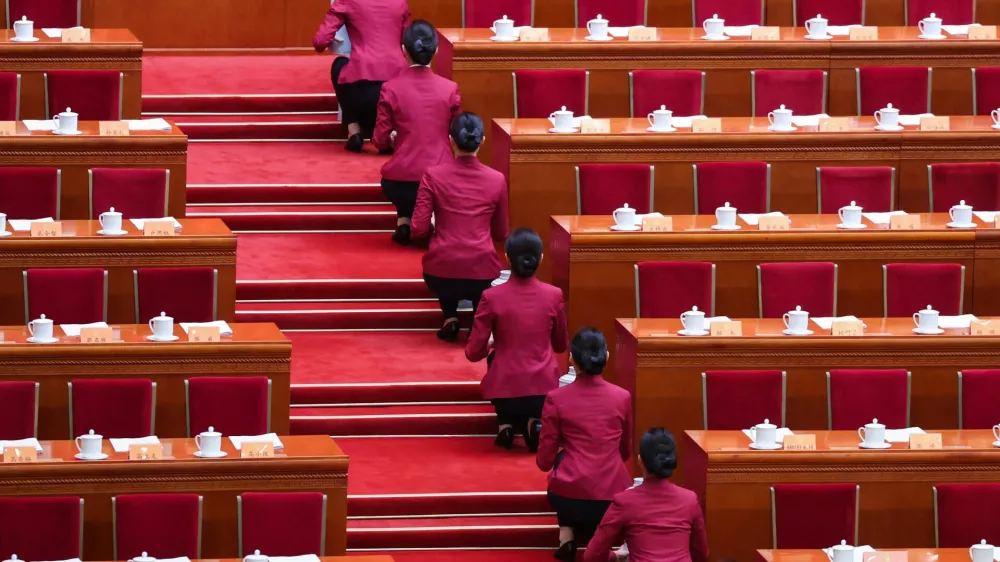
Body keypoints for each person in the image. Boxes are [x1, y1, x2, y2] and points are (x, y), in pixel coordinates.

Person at [466, 228, 568, 450]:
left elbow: (473, 352)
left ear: (507, 259)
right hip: (542, 386)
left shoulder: (490, 297)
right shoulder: (554, 295)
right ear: (540, 258)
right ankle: (535, 422)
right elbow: (561, 345)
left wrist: (491, 345)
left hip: (505, 388)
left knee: (496, 360)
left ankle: (505, 425)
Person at [536, 327, 632, 561]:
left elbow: (544, 461)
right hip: (611, 497)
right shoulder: (622, 397)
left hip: (569, 497)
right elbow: (625, 451)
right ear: (606, 357)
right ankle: (599, 543)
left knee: (562, 464)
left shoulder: (556, 399)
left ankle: (566, 536)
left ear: (572, 359)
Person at [411, 112, 509, 341]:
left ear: (450, 140)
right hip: (482, 269)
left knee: (446, 264)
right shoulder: (496, 179)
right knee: (479, 282)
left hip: (441, 271)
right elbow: (501, 232)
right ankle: (477, 318)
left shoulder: (433, 176)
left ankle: (450, 315)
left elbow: (418, 229)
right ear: (482, 141)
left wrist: (436, 225)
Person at [373, 20, 461, 245]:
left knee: (397, 181)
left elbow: (379, 140)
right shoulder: (450, 89)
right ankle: (428, 221)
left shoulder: (390, 88)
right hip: (440, 181)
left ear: (404, 50)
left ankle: (405, 219)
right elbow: (458, 137)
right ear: (437, 50)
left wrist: (394, 139)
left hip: (401, 183)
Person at [584, 428, 709, 562]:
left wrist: (615, 556)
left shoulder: (624, 501)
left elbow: (592, 556)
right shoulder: (690, 500)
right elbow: (701, 555)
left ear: (640, 461)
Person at [312, 0, 409, 153]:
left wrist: (330, 38)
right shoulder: (400, 2)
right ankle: (385, 134)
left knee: (339, 65)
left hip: (361, 87)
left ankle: (354, 130)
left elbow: (319, 42)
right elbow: (408, 42)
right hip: (397, 88)